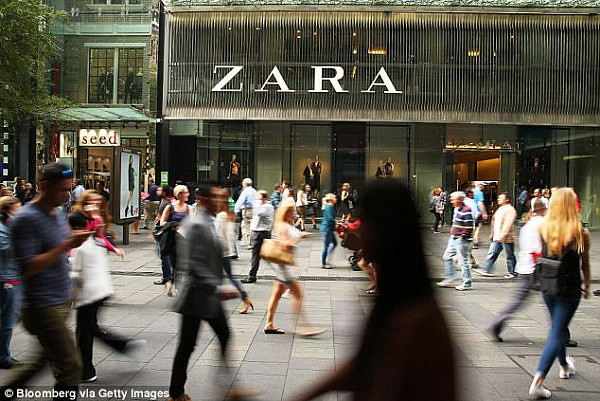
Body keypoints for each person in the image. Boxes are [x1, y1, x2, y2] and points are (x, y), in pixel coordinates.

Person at [292, 180, 455, 401]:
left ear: (386, 229)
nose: (360, 229)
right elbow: (363, 364)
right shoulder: (397, 301)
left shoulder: (417, 321)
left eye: (366, 221)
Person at [1, 163, 90, 396]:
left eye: (70, 188)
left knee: (43, 359)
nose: (68, 194)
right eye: (63, 189)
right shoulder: (26, 218)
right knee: (71, 367)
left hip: (59, 300)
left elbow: (58, 255)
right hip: (41, 306)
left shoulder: (58, 214)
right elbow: (28, 267)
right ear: (43, 187)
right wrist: (67, 245)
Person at [168, 182, 253, 401]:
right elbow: (194, 265)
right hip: (196, 297)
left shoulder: (209, 221)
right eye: (217, 197)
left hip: (207, 297)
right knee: (188, 345)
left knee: (216, 337)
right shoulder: (197, 224)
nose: (222, 201)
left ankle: (225, 387)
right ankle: (176, 393)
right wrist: (218, 286)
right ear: (204, 200)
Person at [528, 188, 591, 399]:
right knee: (557, 331)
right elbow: (585, 265)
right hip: (569, 289)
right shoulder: (580, 232)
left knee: (558, 327)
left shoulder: (544, 227)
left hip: (548, 286)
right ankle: (538, 380)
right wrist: (587, 285)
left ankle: (564, 365)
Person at [68, 211, 144, 383]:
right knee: (90, 329)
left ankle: (87, 371)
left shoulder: (80, 246)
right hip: (101, 292)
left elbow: (76, 275)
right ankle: (123, 345)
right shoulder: (97, 241)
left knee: (84, 334)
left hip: (88, 295)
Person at [263, 199, 323, 336]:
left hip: (284, 265)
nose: (292, 213)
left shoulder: (284, 224)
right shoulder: (282, 226)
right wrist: (299, 237)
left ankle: (269, 324)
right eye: (290, 211)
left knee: (277, 294)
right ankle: (301, 327)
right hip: (284, 267)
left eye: (293, 210)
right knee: (298, 295)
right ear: (284, 212)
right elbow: (285, 246)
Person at [489, 199, 546, 342]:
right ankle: (561, 332)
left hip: (524, 266)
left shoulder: (527, 225)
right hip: (539, 267)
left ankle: (499, 320)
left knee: (518, 300)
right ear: (543, 208)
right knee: (555, 299)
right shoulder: (543, 224)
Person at [215, 188, 254, 314]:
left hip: (219, 251)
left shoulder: (221, 215)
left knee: (216, 278)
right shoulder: (230, 213)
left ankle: (213, 304)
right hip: (225, 251)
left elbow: (218, 235)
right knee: (228, 277)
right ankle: (245, 299)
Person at [0, 197, 22, 369]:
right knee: (7, 321)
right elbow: (8, 251)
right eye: (17, 209)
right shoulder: (3, 229)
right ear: (7, 211)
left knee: (11, 317)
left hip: (15, 277)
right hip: (7, 279)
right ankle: (3, 357)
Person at [473, 193, 517, 278]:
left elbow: (508, 224)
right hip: (497, 236)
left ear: (507, 199)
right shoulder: (500, 209)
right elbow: (494, 221)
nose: (498, 199)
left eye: (501, 198)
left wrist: (502, 235)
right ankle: (486, 269)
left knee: (509, 255)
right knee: (492, 253)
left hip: (506, 238)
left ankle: (512, 272)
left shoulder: (510, 210)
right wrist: (492, 233)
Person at [159, 185, 193, 296]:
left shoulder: (189, 208)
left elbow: (192, 224)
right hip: (172, 239)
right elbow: (162, 222)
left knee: (181, 263)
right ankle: (177, 286)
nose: (188, 194)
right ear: (179, 194)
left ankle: (170, 281)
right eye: (185, 193)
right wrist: (174, 225)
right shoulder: (170, 207)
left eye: (188, 192)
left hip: (185, 239)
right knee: (176, 262)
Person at [437, 191, 474, 291]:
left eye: (453, 199)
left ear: (459, 200)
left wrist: (462, 237)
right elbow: (455, 221)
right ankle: (450, 278)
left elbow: (469, 226)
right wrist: (453, 231)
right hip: (454, 238)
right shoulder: (457, 209)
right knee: (447, 257)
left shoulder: (466, 210)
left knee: (463, 261)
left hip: (461, 239)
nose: (451, 201)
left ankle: (467, 283)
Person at [71, 191, 125, 259]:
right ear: (85, 202)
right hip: (74, 252)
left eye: (98, 200)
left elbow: (100, 236)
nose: (96, 202)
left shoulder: (96, 217)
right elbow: (85, 234)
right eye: (92, 200)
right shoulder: (77, 215)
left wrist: (114, 249)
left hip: (87, 253)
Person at [241, 190, 274, 284]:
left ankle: (252, 276)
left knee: (257, 255)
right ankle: (252, 274)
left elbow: (259, 213)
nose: (256, 198)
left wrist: (256, 203)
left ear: (263, 197)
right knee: (262, 255)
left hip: (260, 233)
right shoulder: (265, 205)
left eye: (258, 196)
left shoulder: (266, 206)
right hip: (261, 232)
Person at [154, 185, 173, 286]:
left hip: (162, 233)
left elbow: (159, 219)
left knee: (164, 255)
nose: (157, 191)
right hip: (162, 232)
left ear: (164, 193)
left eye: (159, 190)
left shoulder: (165, 203)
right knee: (165, 255)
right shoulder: (164, 202)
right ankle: (169, 275)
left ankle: (167, 277)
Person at [234, 178, 257, 249]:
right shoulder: (254, 191)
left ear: (244, 184)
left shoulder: (245, 191)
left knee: (245, 226)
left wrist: (235, 211)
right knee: (252, 226)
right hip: (254, 210)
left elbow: (240, 201)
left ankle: (247, 243)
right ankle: (252, 242)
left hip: (247, 210)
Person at [320, 193, 337, 269]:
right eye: (334, 198)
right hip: (327, 229)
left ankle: (327, 260)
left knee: (334, 243)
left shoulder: (330, 206)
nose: (336, 199)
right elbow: (330, 218)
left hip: (329, 228)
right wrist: (336, 221)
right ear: (331, 199)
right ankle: (324, 263)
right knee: (326, 246)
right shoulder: (329, 207)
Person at [472, 183, 488, 247]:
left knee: (473, 226)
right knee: (478, 226)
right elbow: (480, 203)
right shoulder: (479, 193)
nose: (483, 186)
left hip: (471, 211)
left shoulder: (471, 192)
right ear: (480, 185)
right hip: (478, 212)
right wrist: (484, 213)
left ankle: (471, 240)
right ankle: (475, 240)